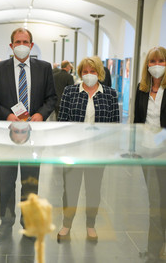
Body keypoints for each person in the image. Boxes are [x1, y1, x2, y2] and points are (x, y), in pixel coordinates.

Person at [0, 27, 57, 243]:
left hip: (34, 135)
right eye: (17, 41)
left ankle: (28, 223)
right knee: (6, 182)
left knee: (30, 182)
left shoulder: (43, 68)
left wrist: (41, 115)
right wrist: (7, 115)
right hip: (7, 134)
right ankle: (6, 223)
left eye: (25, 41)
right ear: (11, 45)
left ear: (31, 45)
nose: (21, 45)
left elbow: (51, 98)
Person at [57, 56, 119, 242]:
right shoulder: (70, 91)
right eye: (85, 71)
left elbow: (114, 124)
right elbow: (62, 120)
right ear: (80, 73)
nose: (89, 75)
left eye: (93, 71)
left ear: (99, 72)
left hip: (97, 153)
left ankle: (90, 225)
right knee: (70, 190)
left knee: (93, 190)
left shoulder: (109, 93)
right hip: (73, 151)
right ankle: (67, 224)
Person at [134, 46, 166, 261]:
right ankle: (154, 247)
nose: (156, 66)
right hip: (147, 151)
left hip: (165, 152)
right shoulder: (142, 88)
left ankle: (156, 248)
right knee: (154, 201)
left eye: (161, 61)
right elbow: (137, 120)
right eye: (152, 62)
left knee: (162, 201)